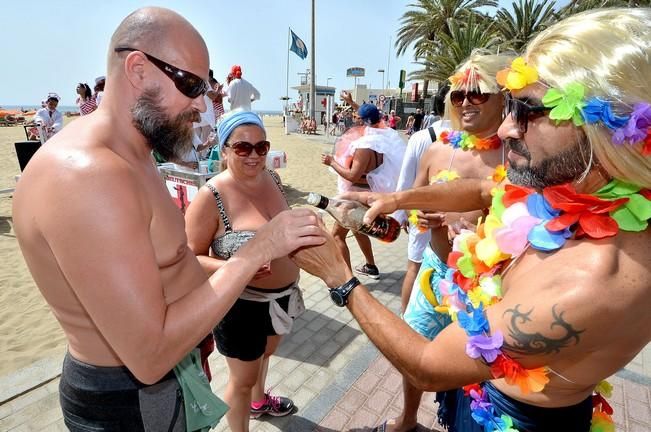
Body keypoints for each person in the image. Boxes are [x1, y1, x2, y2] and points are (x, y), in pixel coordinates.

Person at [294, 8, 651, 432]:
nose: (504, 131)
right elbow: (485, 190)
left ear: (607, 131)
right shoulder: (569, 194)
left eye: (528, 111)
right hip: (485, 394)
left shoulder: (591, 280)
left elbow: (428, 366)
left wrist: (339, 278)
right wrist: (398, 198)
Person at [12, 7, 324, 431]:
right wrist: (255, 253)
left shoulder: (135, 155)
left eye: (207, 86)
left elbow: (166, 262)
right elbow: (149, 354)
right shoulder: (89, 175)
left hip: (167, 377)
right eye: (192, 84)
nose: (202, 104)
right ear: (138, 69)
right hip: (128, 397)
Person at [387, 53, 512, 432]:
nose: (466, 103)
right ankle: (408, 418)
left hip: (488, 284)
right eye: (458, 96)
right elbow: (412, 204)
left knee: (479, 369)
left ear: (503, 97)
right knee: (413, 351)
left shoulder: (518, 155)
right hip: (435, 273)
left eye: (477, 93)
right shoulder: (438, 150)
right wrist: (419, 218)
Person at [185, 111, 299, 432]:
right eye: (242, 148)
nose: (254, 155)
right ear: (223, 150)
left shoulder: (273, 180)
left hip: (281, 298)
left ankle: (260, 402)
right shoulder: (212, 196)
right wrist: (238, 267)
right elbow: (189, 258)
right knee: (242, 379)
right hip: (239, 306)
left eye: (261, 147)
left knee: (266, 354)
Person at [321, 95, 406, 278]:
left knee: (337, 236)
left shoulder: (365, 146)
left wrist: (331, 162)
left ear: (363, 121)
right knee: (357, 229)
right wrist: (352, 102)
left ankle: (347, 282)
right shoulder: (384, 134)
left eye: (357, 117)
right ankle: (371, 266)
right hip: (369, 193)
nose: (354, 118)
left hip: (356, 196)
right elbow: (368, 115)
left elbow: (353, 175)